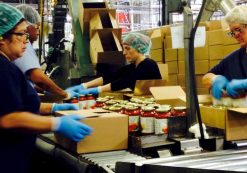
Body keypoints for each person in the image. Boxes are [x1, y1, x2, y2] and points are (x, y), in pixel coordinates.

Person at [0, 3, 92, 173]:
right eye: (21, 34)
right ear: (1, 38)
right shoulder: (3, 68)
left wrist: (54, 107)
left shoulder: (8, 65)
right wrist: (56, 123)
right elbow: (8, 118)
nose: (26, 41)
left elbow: (17, 105)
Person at [13, 4, 76, 100]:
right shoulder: (22, 44)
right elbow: (37, 78)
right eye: (37, 27)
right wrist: (64, 94)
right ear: (26, 25)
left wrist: (48, 91)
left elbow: (30, 81)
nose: (38, 32)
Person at [66, 32, 162, 95]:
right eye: (123, 49)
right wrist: (84, 85)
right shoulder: (133, 66)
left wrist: (97, 90)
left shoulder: (149, 64)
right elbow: (112, 76)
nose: (124, 53)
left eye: (127, 48)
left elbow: (125, 81)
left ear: (139, 48)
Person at [202, 5, 247, 100]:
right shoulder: (233, 59)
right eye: (232, 32)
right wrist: (215, 79)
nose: (235, 35)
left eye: (238, 29)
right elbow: (206, 77)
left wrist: (245, 84)